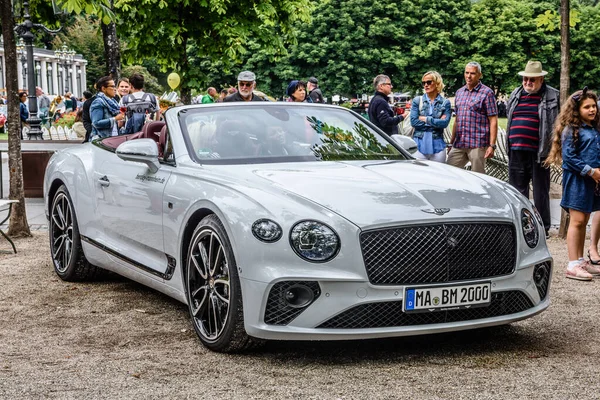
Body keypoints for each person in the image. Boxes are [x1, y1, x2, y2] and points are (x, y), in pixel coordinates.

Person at [546, 87, 600, 281]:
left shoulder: (594, 128)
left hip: (592, 182)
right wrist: (591, 171)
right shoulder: (571, 130)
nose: (592, 109)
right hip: (578, 180)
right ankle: (572, 264)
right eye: (587, 107)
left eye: (594, 106)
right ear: (577, 110)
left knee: (584, 220)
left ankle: (580, 260)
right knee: (577, 222)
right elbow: (569, 158)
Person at [506, 60, 560, 238]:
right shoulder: (516, 93)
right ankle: (520, 226)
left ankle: (543, 227)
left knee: (540, 191)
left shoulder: (553, 95)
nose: (528, 83)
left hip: (540, 152)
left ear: (541, 80)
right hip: (516, 150)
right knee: (517, 190)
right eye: (525, 79)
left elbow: (560, 122)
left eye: (532, 80)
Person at [447, 62, 498, 174]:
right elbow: (457, 119)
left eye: (473, 73)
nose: (469, 76)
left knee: (478, 177)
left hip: (478, 144)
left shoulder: (487, 93)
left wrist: (492, 146)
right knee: (449, 172)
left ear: (479, 75)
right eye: (467, 73)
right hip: (460, 143)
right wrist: (451, 142)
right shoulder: (460, 92)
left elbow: (493, 120)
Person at [409, 71, 451, 162]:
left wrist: (426, 119)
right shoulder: (417, 100)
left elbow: (444, 123)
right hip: (419, 146)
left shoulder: (445, 102)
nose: (425, 85)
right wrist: (436, 121)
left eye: (429, 82)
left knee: (439, 175)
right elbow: (413, 122)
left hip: (438, 147)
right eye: (423, 83)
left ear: (437, 83)